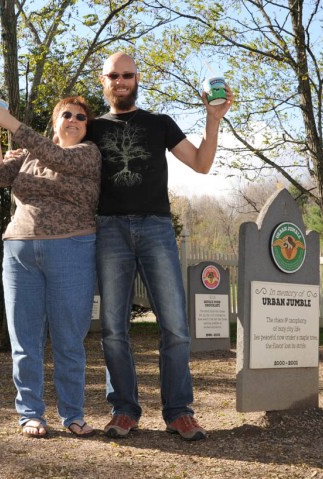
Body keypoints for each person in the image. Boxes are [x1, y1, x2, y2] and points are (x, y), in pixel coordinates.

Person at [85, 52, 233, 441]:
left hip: (156, 228)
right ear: (102, 80)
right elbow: (58, 156)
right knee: (114, 328)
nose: (120, 81)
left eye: (127, 75)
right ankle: (124, 410)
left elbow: (201, 164)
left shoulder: (160, 124)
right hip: (109, 230)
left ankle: (179, 412)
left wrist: (213, 120)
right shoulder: (91, 128)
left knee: (177, 327)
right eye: (113, 75)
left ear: (137, 78)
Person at [0, 96, 101, 439]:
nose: (73, 120)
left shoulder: (88, 153)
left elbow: (57, 157)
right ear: (55, 120)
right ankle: (30, 414)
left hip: (72, 248)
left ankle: (73, 414)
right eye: (66, 114)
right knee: (24, 338)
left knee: (69, 339)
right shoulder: (28, 154)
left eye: (80, 117)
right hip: (19, 251)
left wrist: (12, 123)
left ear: (86, 126)